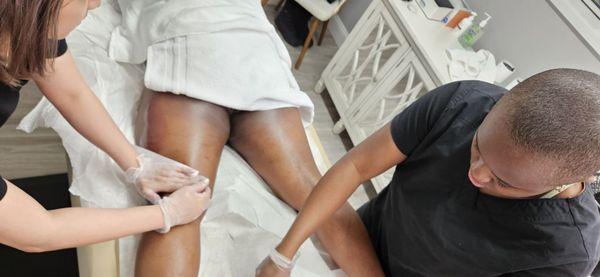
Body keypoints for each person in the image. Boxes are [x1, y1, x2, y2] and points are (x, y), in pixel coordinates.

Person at [257, 69, 600, 276]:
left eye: (503, 181)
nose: (476, 175)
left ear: (564, 184)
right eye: (477, 146)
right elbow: (356, 165)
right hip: (361, 236)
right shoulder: (461, 103)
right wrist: (282, 254)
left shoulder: (565, 252)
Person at [0, 0, 211, 253]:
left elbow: (71, 93)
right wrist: (167, 213)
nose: (95, 4)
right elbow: (38, 232)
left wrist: (136, 163)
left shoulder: (26, 25)